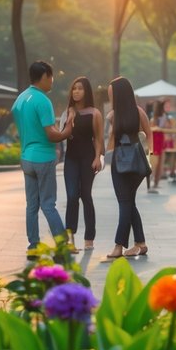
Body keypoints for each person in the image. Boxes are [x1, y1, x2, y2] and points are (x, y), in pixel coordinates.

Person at [11, 61, 73, 253]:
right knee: (48, 203)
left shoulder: (20, 99)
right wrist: (68, 130)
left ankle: (33, 245)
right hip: (43, 157)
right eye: (51, 77)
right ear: (45, 76)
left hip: (26, 157)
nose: (52, 81)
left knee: (32, 205)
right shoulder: (43, 100)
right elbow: (51, 134)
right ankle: (63, 244)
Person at [105, 76, 152, 259]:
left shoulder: (113, 115)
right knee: (129, 203)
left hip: (122, 163)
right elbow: (149, 134)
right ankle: (141, 243)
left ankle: (118, 246)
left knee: (124, 203)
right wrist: (150, 155)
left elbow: (111, 141)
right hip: (136, 163)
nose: (110, 99)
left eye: (112, 94)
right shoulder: (137, 112)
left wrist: (102, 157)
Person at [63, 77, 103, 252]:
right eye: (74, 88)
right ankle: (69, 238)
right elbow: (63, 134)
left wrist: (97, 158)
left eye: (79, 88)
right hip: (70, 159)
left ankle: (89, 238)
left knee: (86, 195)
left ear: (86, 91)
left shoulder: (95, 113)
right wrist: (70, 116)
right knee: (72, 196)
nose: (76, 91)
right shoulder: (67, 112)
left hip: (88, 159)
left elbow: (99, 138)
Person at [146, 100, 168, 194]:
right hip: (155, 142)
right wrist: (156, 128)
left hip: (160, 141)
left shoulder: (164, 117)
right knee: (153, 164)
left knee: (160, 163)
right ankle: (150, 185)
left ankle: (155, 182)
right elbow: (149, 129)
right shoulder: (153, 119)